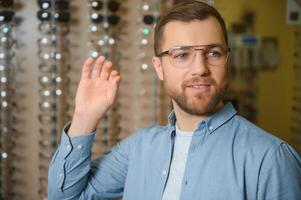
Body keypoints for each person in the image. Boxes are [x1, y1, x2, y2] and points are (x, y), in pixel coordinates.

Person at [48, 1, 301, 199]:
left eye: (213, 53)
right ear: (159, 67)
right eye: (182, 55)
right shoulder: (138, 149)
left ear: (227, 59)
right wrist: (84, 116)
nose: (200, 69)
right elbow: (67, 196)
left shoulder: (271, 159)